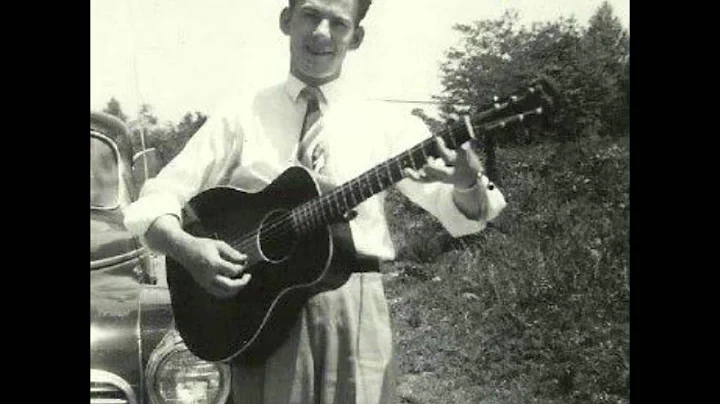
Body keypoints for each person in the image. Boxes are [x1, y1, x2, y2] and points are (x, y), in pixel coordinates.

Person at [122, 0, 507, 403]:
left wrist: (466, 181)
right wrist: (188, 248)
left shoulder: (385, 122)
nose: (321, 32)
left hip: (355, 308)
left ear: (355, 37)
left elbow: (464, 214)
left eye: (338, 23)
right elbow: (158, 196)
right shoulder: (240, 114)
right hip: (258, 315)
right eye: (310, 14)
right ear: (286, 20)